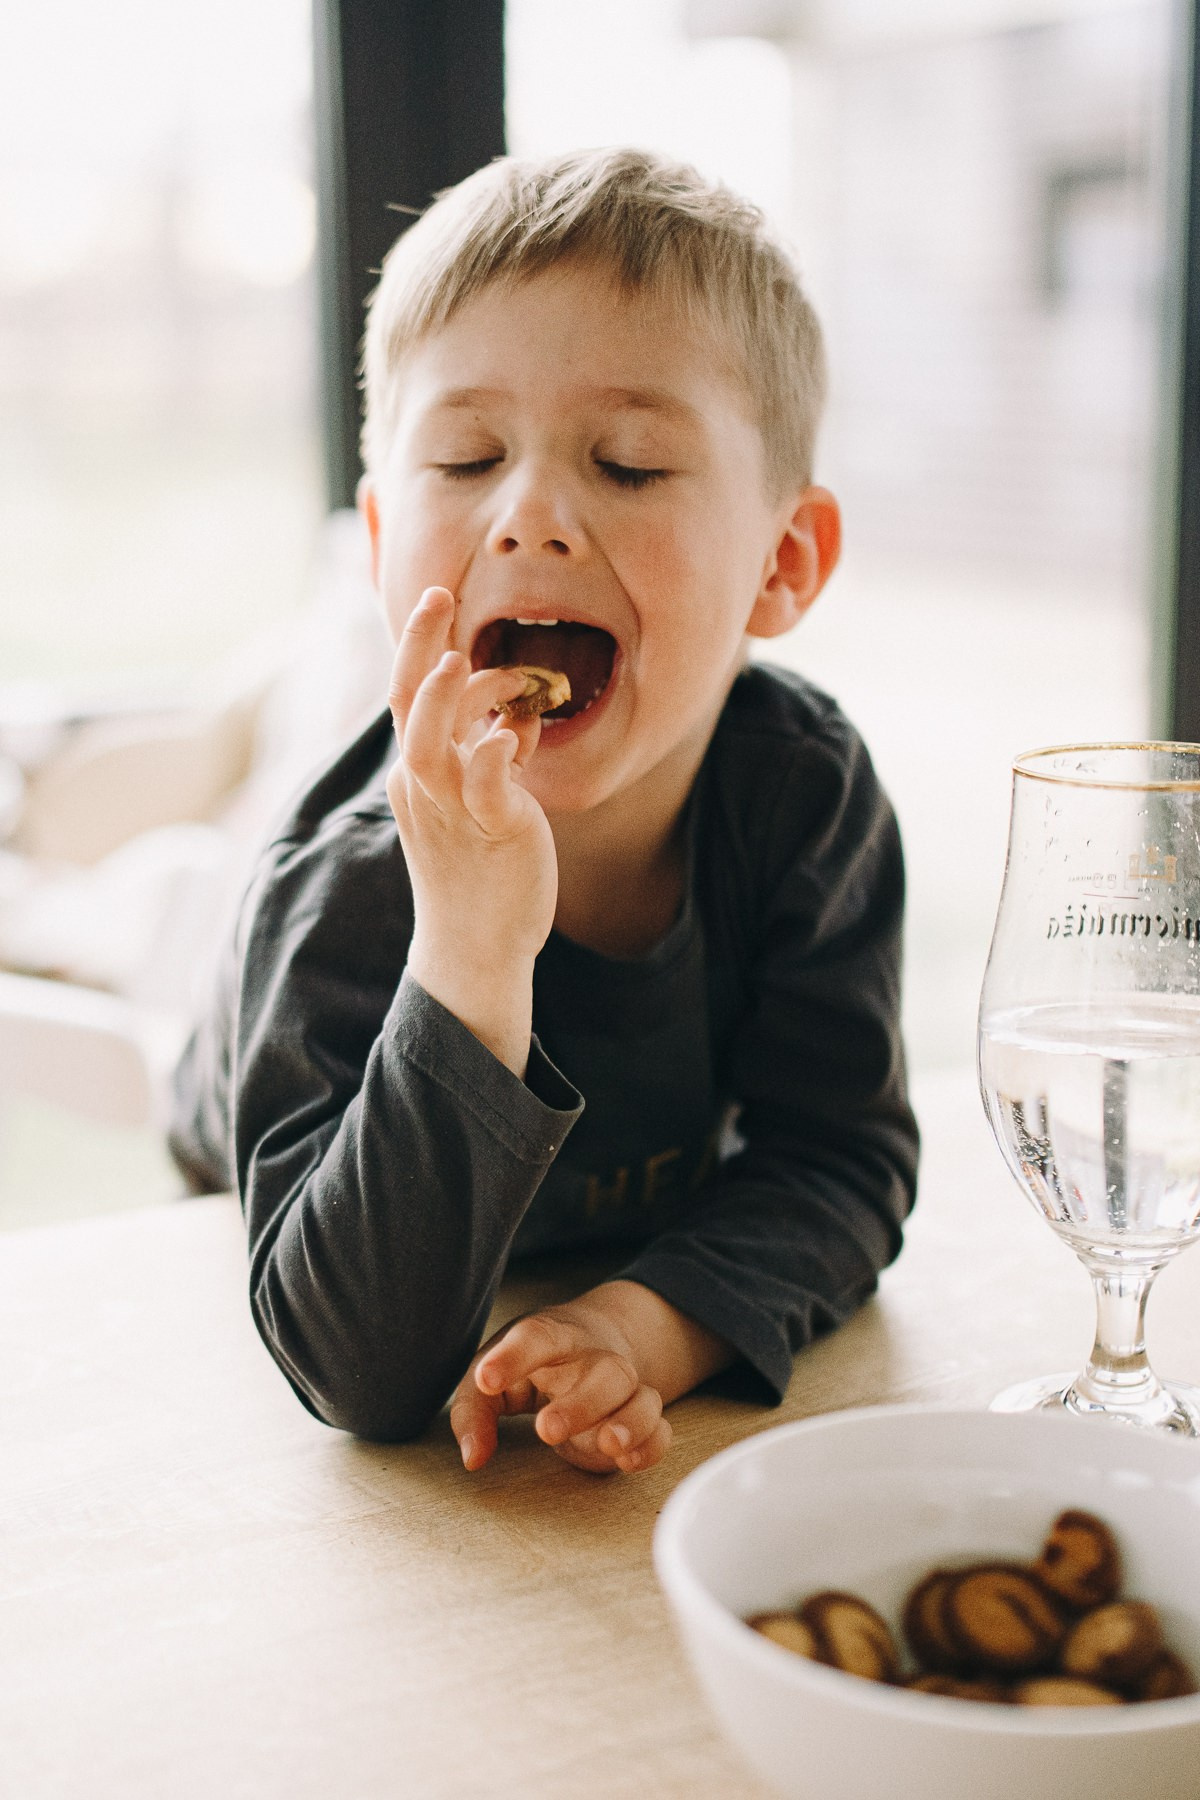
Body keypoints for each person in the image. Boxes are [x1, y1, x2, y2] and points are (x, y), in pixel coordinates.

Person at [169, 147, 919, 1476]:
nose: (530, 516)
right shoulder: (351, 885)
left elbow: (837, 1160)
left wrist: (652, 1321)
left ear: (783, 563)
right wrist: (466, 950)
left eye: (629, 464)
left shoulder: (801, 802)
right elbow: (354, 1370)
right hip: (257, 1096)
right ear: (384, 539)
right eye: (466, 457)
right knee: (196, 948)